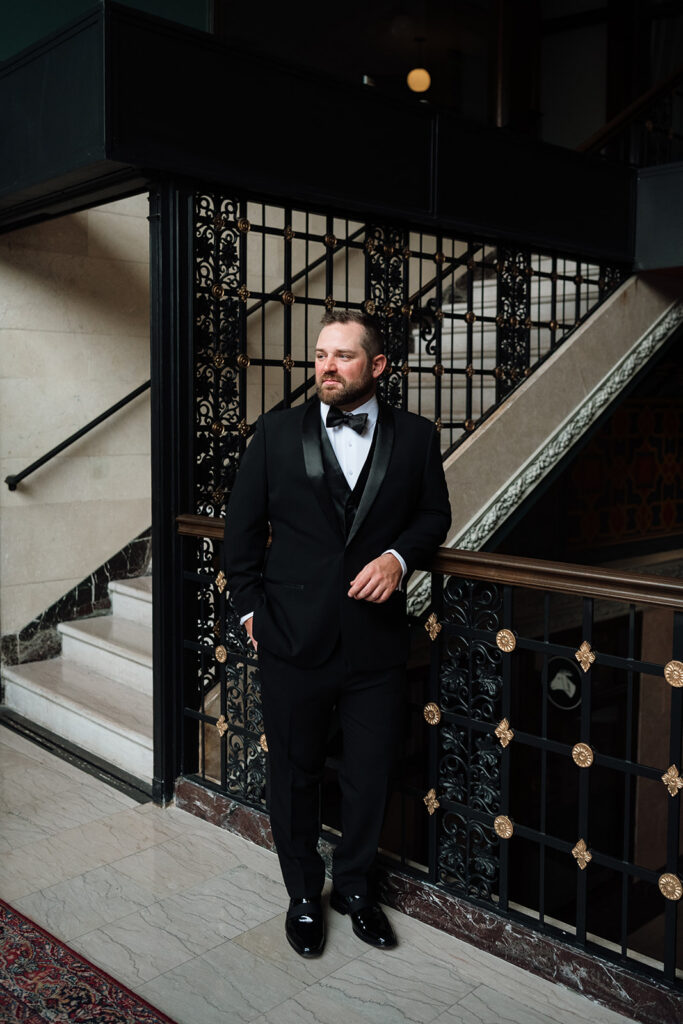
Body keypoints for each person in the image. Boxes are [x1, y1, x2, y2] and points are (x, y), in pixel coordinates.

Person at [223, 310, 451, 957]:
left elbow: (433, 512)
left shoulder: (415, 436)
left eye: (342, 356)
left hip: (375, 645)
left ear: (376, 366)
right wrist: (248, 614)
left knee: (369, 774)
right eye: (320, 355)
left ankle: (355, 890)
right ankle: (301, 893)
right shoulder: (274, 434)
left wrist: (398, 558)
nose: (325, 366)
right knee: (293, 774)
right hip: (290, 640)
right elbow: (239, 536)